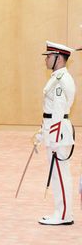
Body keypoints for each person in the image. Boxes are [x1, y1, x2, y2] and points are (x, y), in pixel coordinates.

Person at [35, 41, 76, 225]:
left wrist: (53, 138)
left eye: (49, 56)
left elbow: (58, 113)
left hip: (58, 135)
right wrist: (41, 134)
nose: (46, 59)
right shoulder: (56, 77)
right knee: (58, 175)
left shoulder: (60, 80)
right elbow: (49, 112)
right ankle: (60, 212)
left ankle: (64, 215)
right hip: (55, 132)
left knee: (60, 175)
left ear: (59, 58)